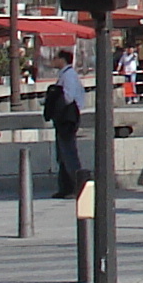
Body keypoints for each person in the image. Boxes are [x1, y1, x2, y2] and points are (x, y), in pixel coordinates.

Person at [45, 45, 88, 199]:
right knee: (62, 154)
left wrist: (56, 103)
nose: (53, 61)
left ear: (62, 60)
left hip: (67, 119)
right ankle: (66, 187)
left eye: (56, 58)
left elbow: (69, 97)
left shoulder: (68, 76)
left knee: (68, 153)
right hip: (65, 118)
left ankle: (77, 186)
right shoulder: (68, 75)